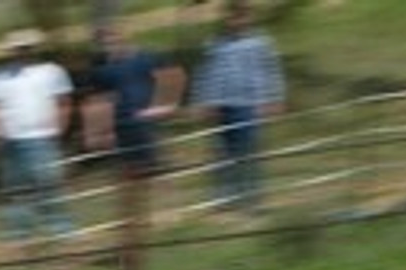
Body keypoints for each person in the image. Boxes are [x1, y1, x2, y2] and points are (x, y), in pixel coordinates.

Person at [0, 29, 75, 242]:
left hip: (43, 138)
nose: (22, 52)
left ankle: (62, 229)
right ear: (10, 51)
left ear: (33, 49)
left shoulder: (51, 71)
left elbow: (64, 102)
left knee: (49, 184)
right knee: (16, 189)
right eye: (17, 49)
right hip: (11, 140)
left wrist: (59, 128)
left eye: (26, 48)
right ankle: (18, 234)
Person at [191, 0, 286, 210]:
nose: (236, 21)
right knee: (221, 153)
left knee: (248, 152)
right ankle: (223, 197)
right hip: (221, 105)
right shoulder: (215, 43)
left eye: (242, 16)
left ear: (250, 18)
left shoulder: (261, 43)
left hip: (249, 105)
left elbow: (272, 72)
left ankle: (252, 198)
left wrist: (275, 99)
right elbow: (204, 74)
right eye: (233, 16)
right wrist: (202, 102)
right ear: (227, 18)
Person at [86, 25, 187, 176]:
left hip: (147, 127)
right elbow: (99, 100)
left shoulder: (147, 57)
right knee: (129, 179)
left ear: (124, 38)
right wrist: (100, 132)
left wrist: (164, 106)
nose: (109, 46)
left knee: (159, 175)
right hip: (121, 129)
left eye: (113, 39)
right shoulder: (101, 70)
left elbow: (175, 76)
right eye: (104, 43)